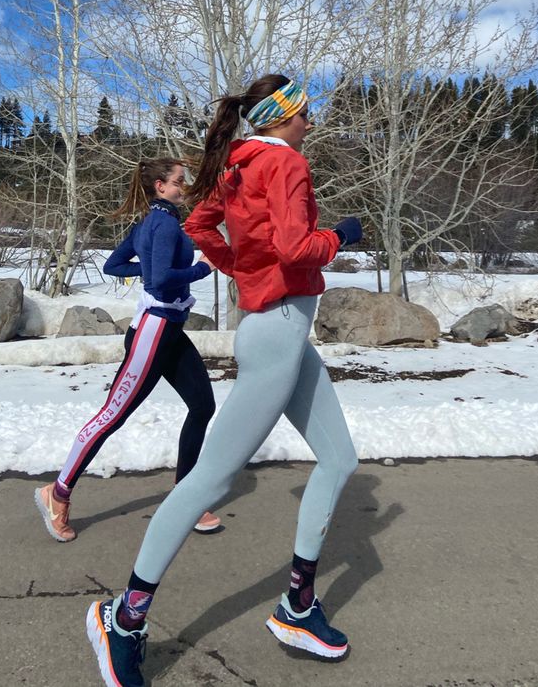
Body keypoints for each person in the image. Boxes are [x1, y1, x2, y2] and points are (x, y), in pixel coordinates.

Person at [86, 75, 363, 687]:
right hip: (276, 332)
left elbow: (199, 231)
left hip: (282, 331)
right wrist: (339, 236)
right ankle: (123, 619)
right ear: (285, 116)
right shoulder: (284, 163)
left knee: (339, 459)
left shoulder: (238, 168)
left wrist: (247, 270)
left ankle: (296, 607)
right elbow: (295, 246)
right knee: (208, 480)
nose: (310, 121)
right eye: (306, 112)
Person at [35, 157, 222, 543]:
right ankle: (57, 493)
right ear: (160, 186)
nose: (184, 188)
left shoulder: (149, 223)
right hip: (153, 331)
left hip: (169, 330)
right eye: (179, 182)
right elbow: (159, 282)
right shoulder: (165, 223)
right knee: (112, 416)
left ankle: (184, 499)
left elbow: (116, 265)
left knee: (203, 405)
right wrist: (202, 269)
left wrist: (151, 269)